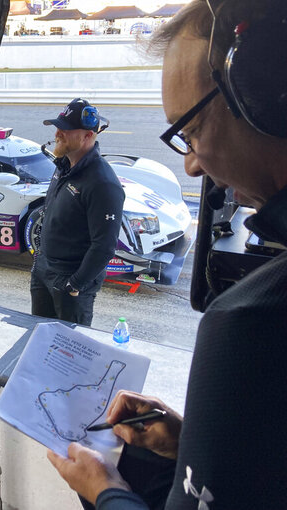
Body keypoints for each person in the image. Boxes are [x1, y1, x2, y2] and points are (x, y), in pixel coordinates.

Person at [47, 1, 287, 508]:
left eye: (192, 131)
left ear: (266, 95)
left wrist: (105, 491)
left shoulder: (255, 322)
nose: (194, 166)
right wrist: (190, 445)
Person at [31, 98, 124, 326]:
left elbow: (104, 247)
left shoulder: (103, 183)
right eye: (58, 127)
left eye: (66, 130)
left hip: (69, 282)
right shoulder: (63, 166)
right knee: (38, 341)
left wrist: (75, 285)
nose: (57, 133)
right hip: (44, 270)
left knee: (69, 352)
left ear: (88, 136)